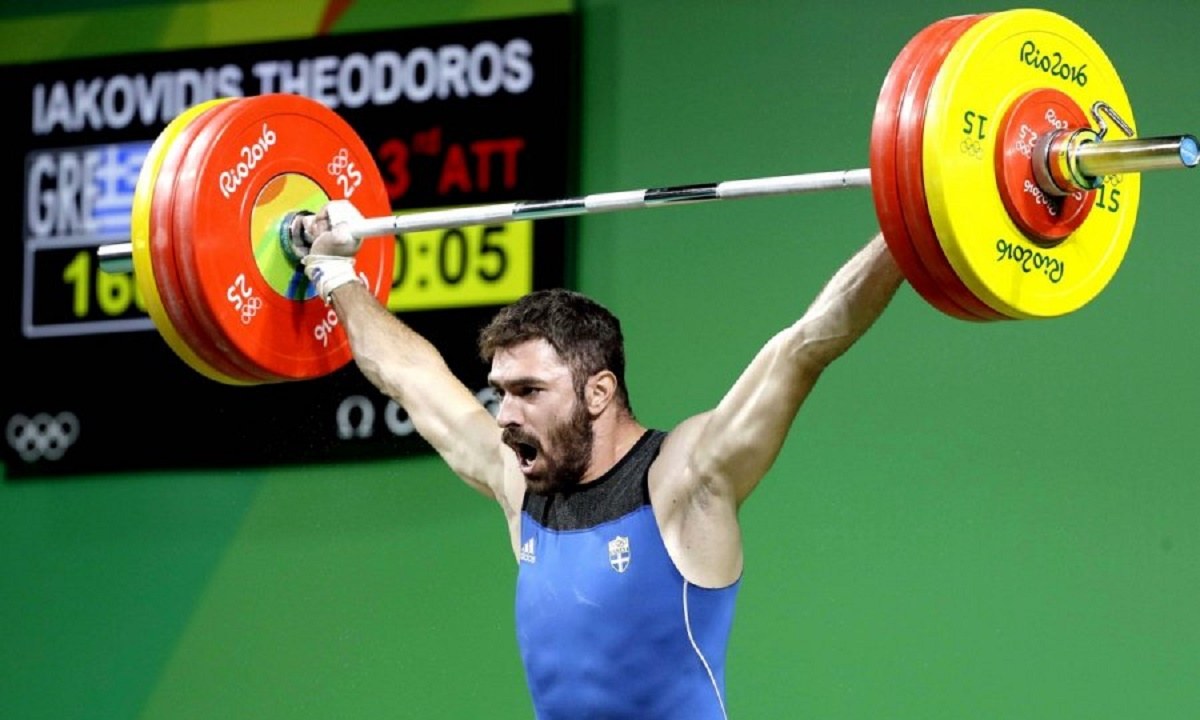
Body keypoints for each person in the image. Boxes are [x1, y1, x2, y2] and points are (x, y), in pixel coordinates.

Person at [297, 201, 904, 719]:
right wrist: (334, 273)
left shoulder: (683, 480)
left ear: (598, 392)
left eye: (530, 391)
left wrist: (910, 223)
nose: (506, 414)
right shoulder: (521, 486)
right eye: (501, 391)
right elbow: (411, 377)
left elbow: (806, 345)